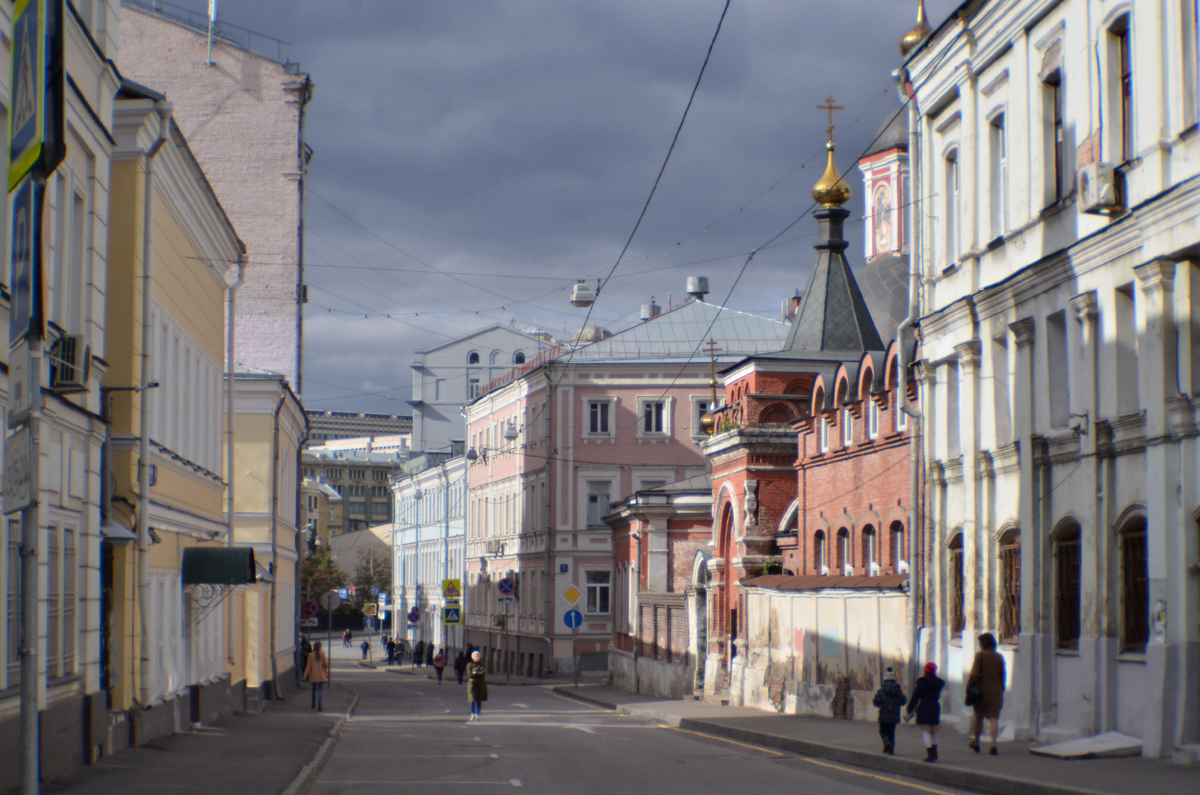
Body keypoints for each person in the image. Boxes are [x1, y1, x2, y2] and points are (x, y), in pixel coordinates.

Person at [967, 632, 1006, 755]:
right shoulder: (999, 657)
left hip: (981, 692)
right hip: (996, 691)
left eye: (979, 643)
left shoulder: (980, 656)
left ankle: (977, 742)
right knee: (994, 718)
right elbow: (1002, 675)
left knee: (979, 717)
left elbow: (974, 674)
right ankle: (993, 745)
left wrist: (968, 687)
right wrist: (1001, 689)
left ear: (983, 644)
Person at [906, 662, 945, 762]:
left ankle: (930, 754)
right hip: (935, 707)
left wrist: (909, 709)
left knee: (925, 732)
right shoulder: (938, 682)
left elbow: (915, 697)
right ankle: (934, 753)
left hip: (924, 707)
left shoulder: (922, 682)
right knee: (932, 731)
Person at [872, 667, 906, 755]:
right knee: (891, 731)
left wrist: (879, 703)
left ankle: (886, 741)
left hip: (884, 714)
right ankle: (890, 749)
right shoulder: (898, 690)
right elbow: (903, 701)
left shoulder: (881, 690)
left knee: (882, 730)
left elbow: (876, 701)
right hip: (894, 714)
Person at [304, 640, 330, 711]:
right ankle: (319, 704)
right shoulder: (322, 654)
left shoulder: (310, 655)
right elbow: (326, 664)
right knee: (320, 690)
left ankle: (313, 704)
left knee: (313, 689)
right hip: (321, 675)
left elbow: (308, 666)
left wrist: (305, 675)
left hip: (313, 675)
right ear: (320, 647)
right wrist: (326, 668)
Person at [467, 650, 487, 720]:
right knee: (472, 699)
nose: (477, 657)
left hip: (480, 684)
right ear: (473, 657)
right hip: (472, 685)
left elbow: (483, 673)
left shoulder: (482, 665)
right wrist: (477, 673)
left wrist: (476, 673)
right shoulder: (470, 665)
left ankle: (477, 714)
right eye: (476, 656)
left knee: (479, 700)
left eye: (478, 656)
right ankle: (472, 713)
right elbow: (470, 674)